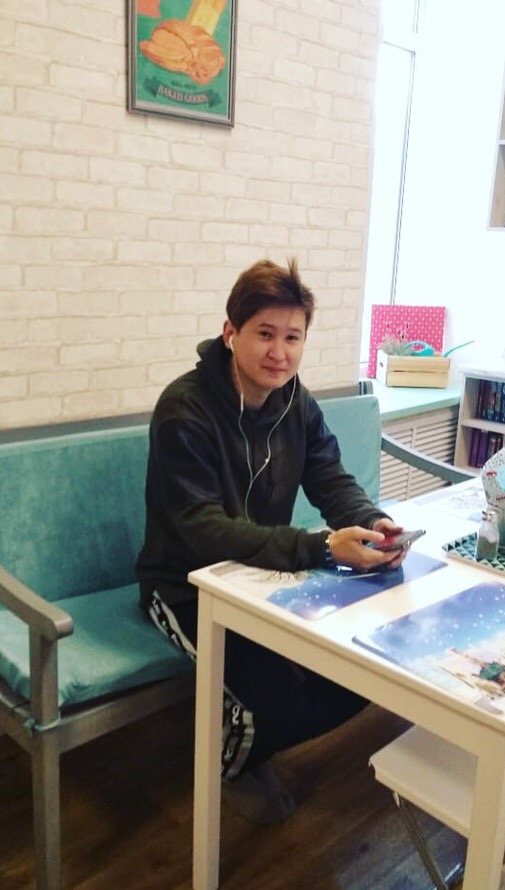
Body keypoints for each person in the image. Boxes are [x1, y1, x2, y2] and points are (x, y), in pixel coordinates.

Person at [136, 258, 409, 825]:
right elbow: (202, 530)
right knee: (275, 699)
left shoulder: (294, 401)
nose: (279, 352)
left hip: (263, 576)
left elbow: (330, 478)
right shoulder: (184, 410)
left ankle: (251, 743)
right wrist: (321, 548)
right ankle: (231, 765)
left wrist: (374, 521)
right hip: (186, 584)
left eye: (292, 337)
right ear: (230, 332)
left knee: (360, 671)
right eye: (264, 334)